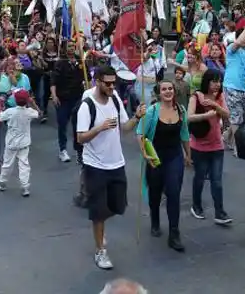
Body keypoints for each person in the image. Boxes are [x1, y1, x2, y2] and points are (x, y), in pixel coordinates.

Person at [76, 65, 145, 270]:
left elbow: (124, 127)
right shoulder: (87, 106)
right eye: (107, 83)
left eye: (114, 83)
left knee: (117, 205)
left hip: (116, 162)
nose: (112, 86)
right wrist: (100, 127)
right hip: (95, 165)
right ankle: (100, 250)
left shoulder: (115, 100)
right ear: (97, 81)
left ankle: (100, 228)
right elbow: (80, 137)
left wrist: (137, 117)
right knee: (99, 211)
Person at [137, 80, 191, 251]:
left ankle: (174, 234)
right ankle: (155, 219)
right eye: (164, 89)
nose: (168, 91)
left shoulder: (181, 110)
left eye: (170, 89)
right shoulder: (152, 111)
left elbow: (184, 134)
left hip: (174, 157)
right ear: (159, 93)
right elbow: (140, 133)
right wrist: (144, 153)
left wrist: (188, 155)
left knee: (174, 193)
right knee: (155, 192)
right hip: (155, 156)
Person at [187, 69, 231, 225]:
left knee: (217, 180)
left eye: (219, 81)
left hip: (217, 145)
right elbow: (189, 117)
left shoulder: (220, 97)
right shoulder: (196, 96)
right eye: (214, 81)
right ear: (207, 82)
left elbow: (226, 114)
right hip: (199, 145)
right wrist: (206, 115)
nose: (217, 85)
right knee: (199, 178)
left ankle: (220, 212)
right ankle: (196, 206)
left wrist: (215, 106)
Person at [0, 90, 40, 196]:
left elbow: (0, 116)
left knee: (7, 163)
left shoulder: (10, 111)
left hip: (11, 142)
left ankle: (2, 181)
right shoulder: (29, 112)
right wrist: (33, 103)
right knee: (24, 164)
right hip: (24, 143)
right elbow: (38, 113)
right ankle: (25, 186)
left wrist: (1, 105)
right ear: (27, 100)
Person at [222, 16, 245, 151]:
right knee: (236, 117)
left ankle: (227, 136)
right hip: (231, 86)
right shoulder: (232, 48)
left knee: (243, 116)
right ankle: (238, 147)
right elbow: (239, 41)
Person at [51, 41, 87, 163]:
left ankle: (79, 151)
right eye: (69, 47)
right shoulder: (60, 63)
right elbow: (53, 81)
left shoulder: (80, 61)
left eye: (73, 46)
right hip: (63, 99)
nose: (72, 49)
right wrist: (54, 95)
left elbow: (87, 78)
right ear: (65, 49)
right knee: (62, 125)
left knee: (78, 125)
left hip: (78, 98)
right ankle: (63, 150)